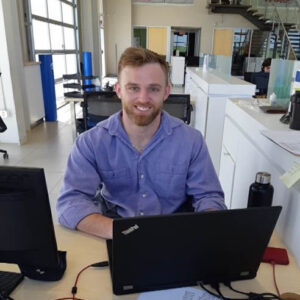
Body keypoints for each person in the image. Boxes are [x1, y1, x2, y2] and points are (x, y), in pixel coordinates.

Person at [56, 47, 226, 240]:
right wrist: (124, 233)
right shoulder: (90, 143)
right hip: (114, 233)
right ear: (119, 90)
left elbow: (209, 197)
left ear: (166, 92)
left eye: (153, 89)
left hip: (175, 236)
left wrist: (205, 228)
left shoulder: (191, 141)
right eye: (133, 88)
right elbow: (70, 203)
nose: (143, 99)